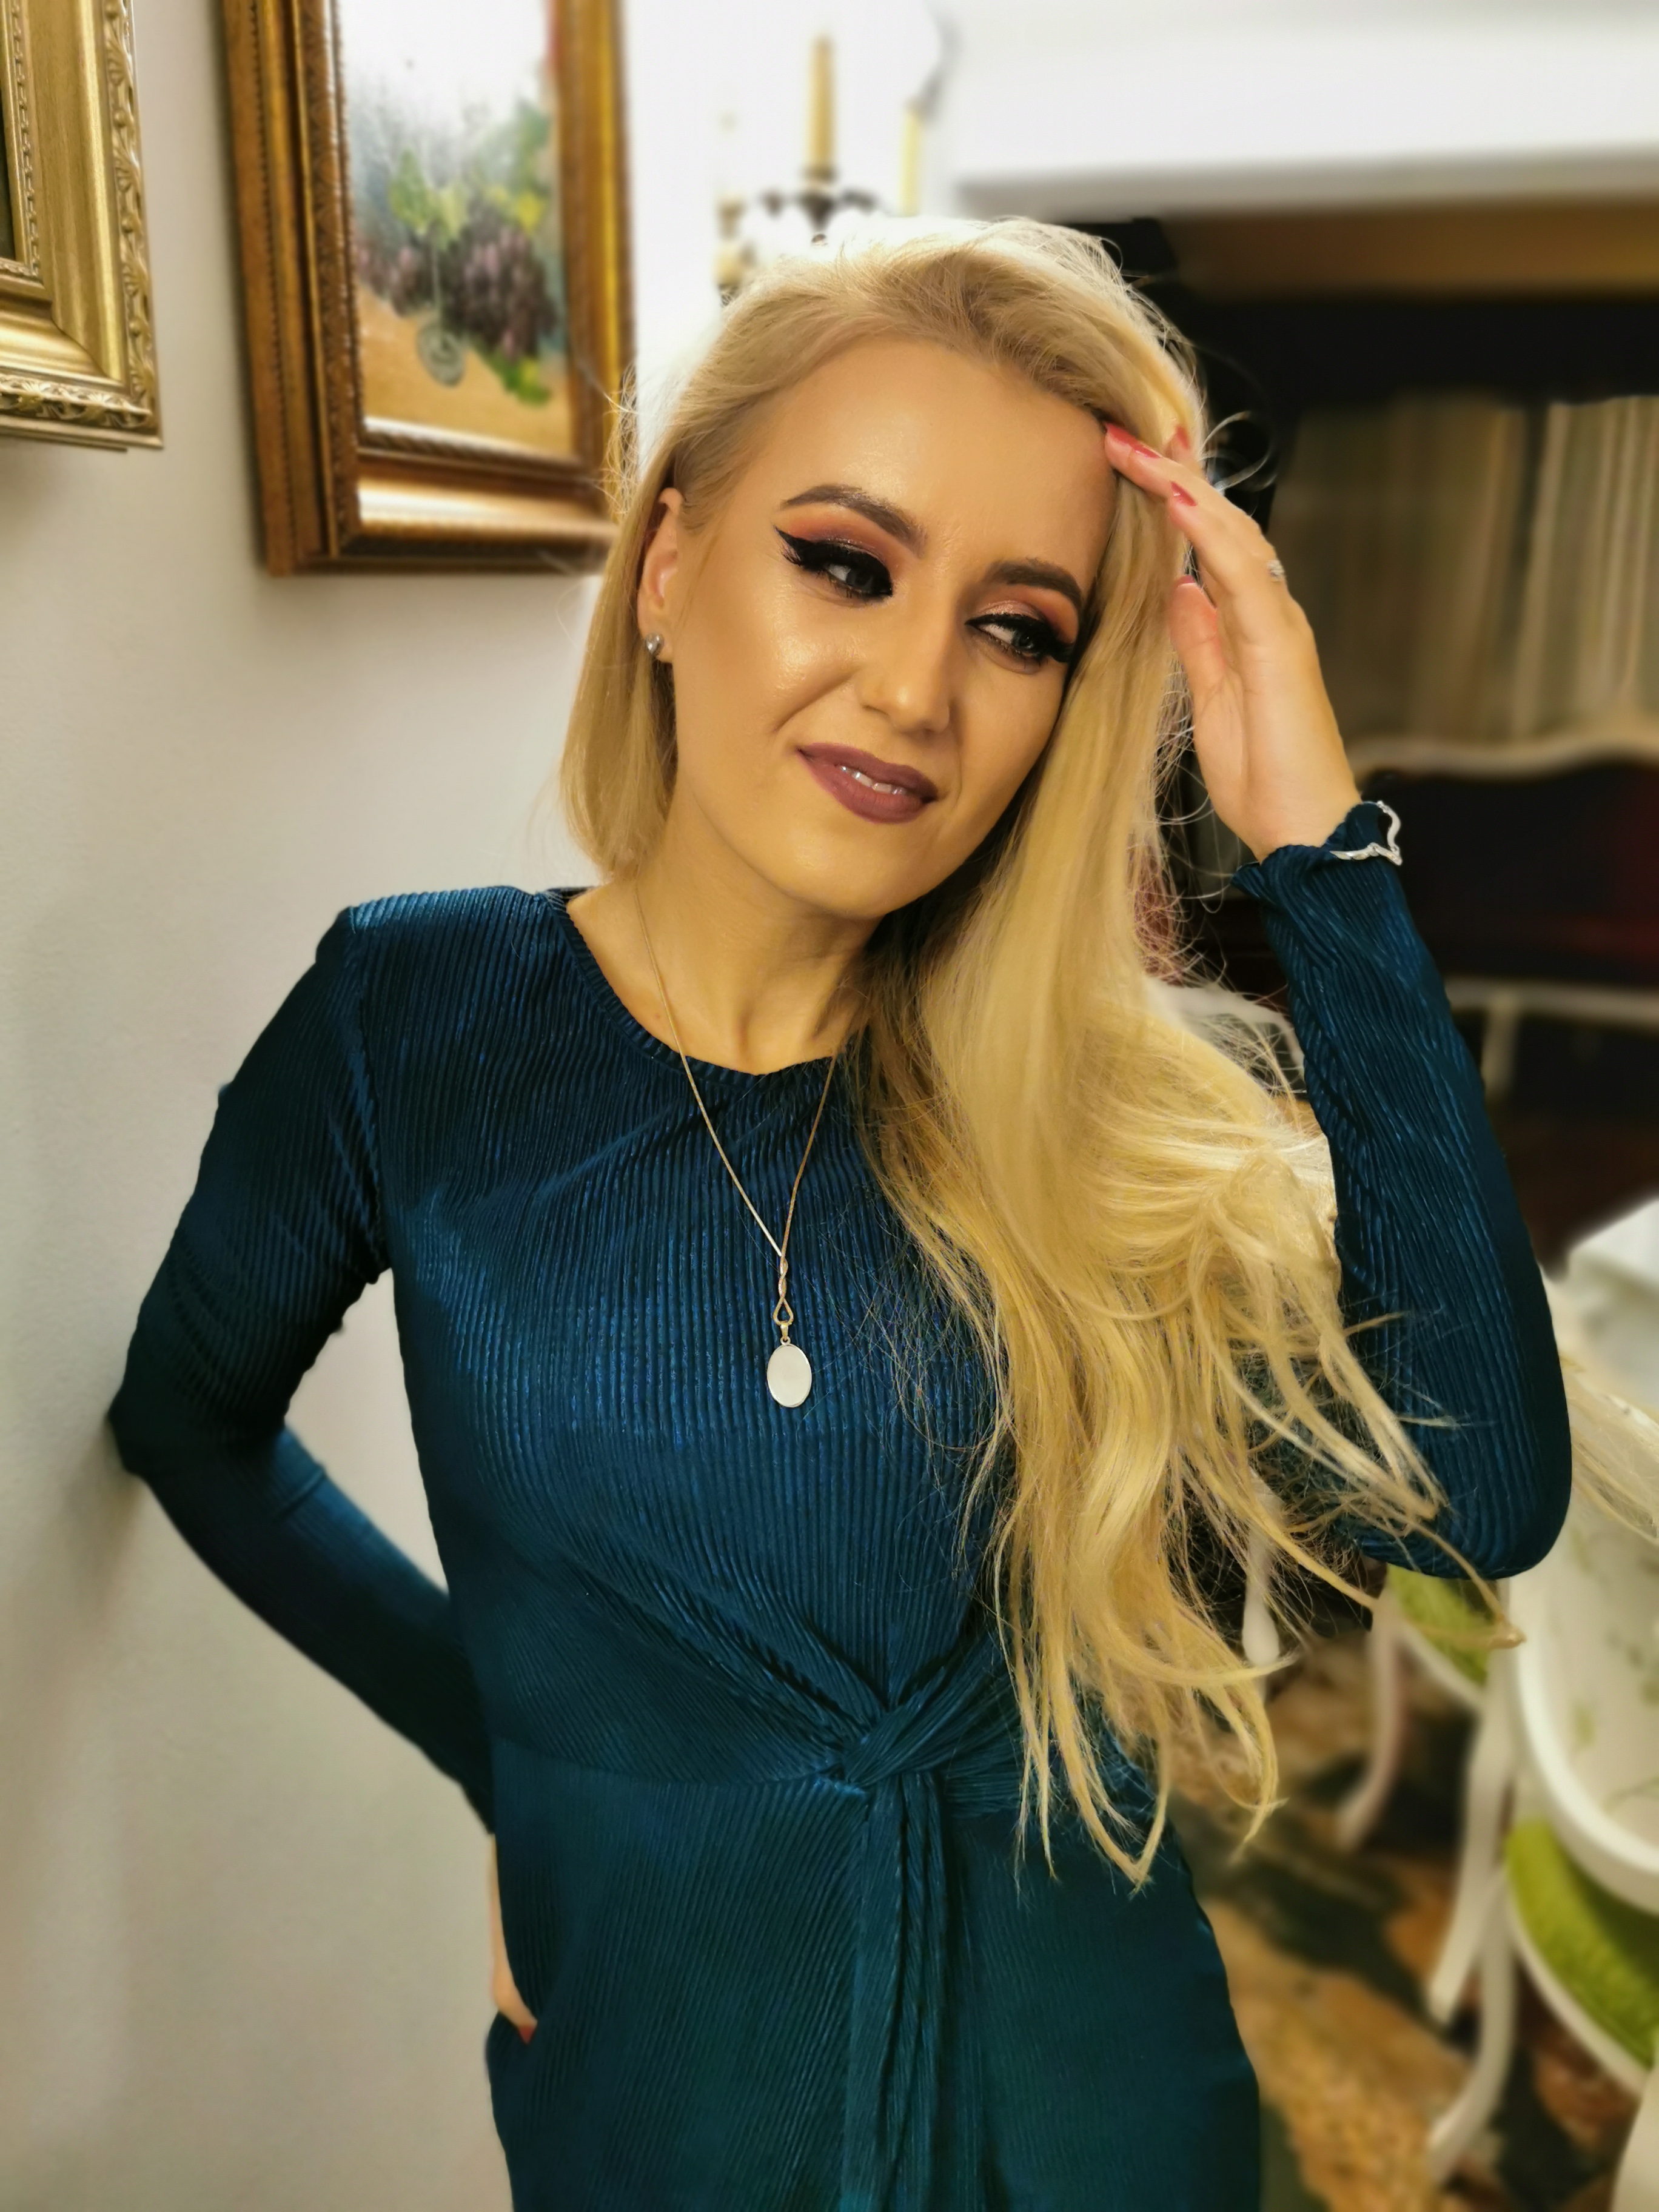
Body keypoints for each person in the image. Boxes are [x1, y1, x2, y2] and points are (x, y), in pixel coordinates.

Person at [109, 222, 1570, 2208]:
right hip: (658, 2093)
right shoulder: (416, 1019)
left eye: (1018, 628)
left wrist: (1326, 851)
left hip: (1094, 2118)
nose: (912, 688)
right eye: (847, 563)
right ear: (671, 564)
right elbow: (190, 1421)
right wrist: (520, 1771)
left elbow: (1480, 1491)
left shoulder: (1095, 1109)